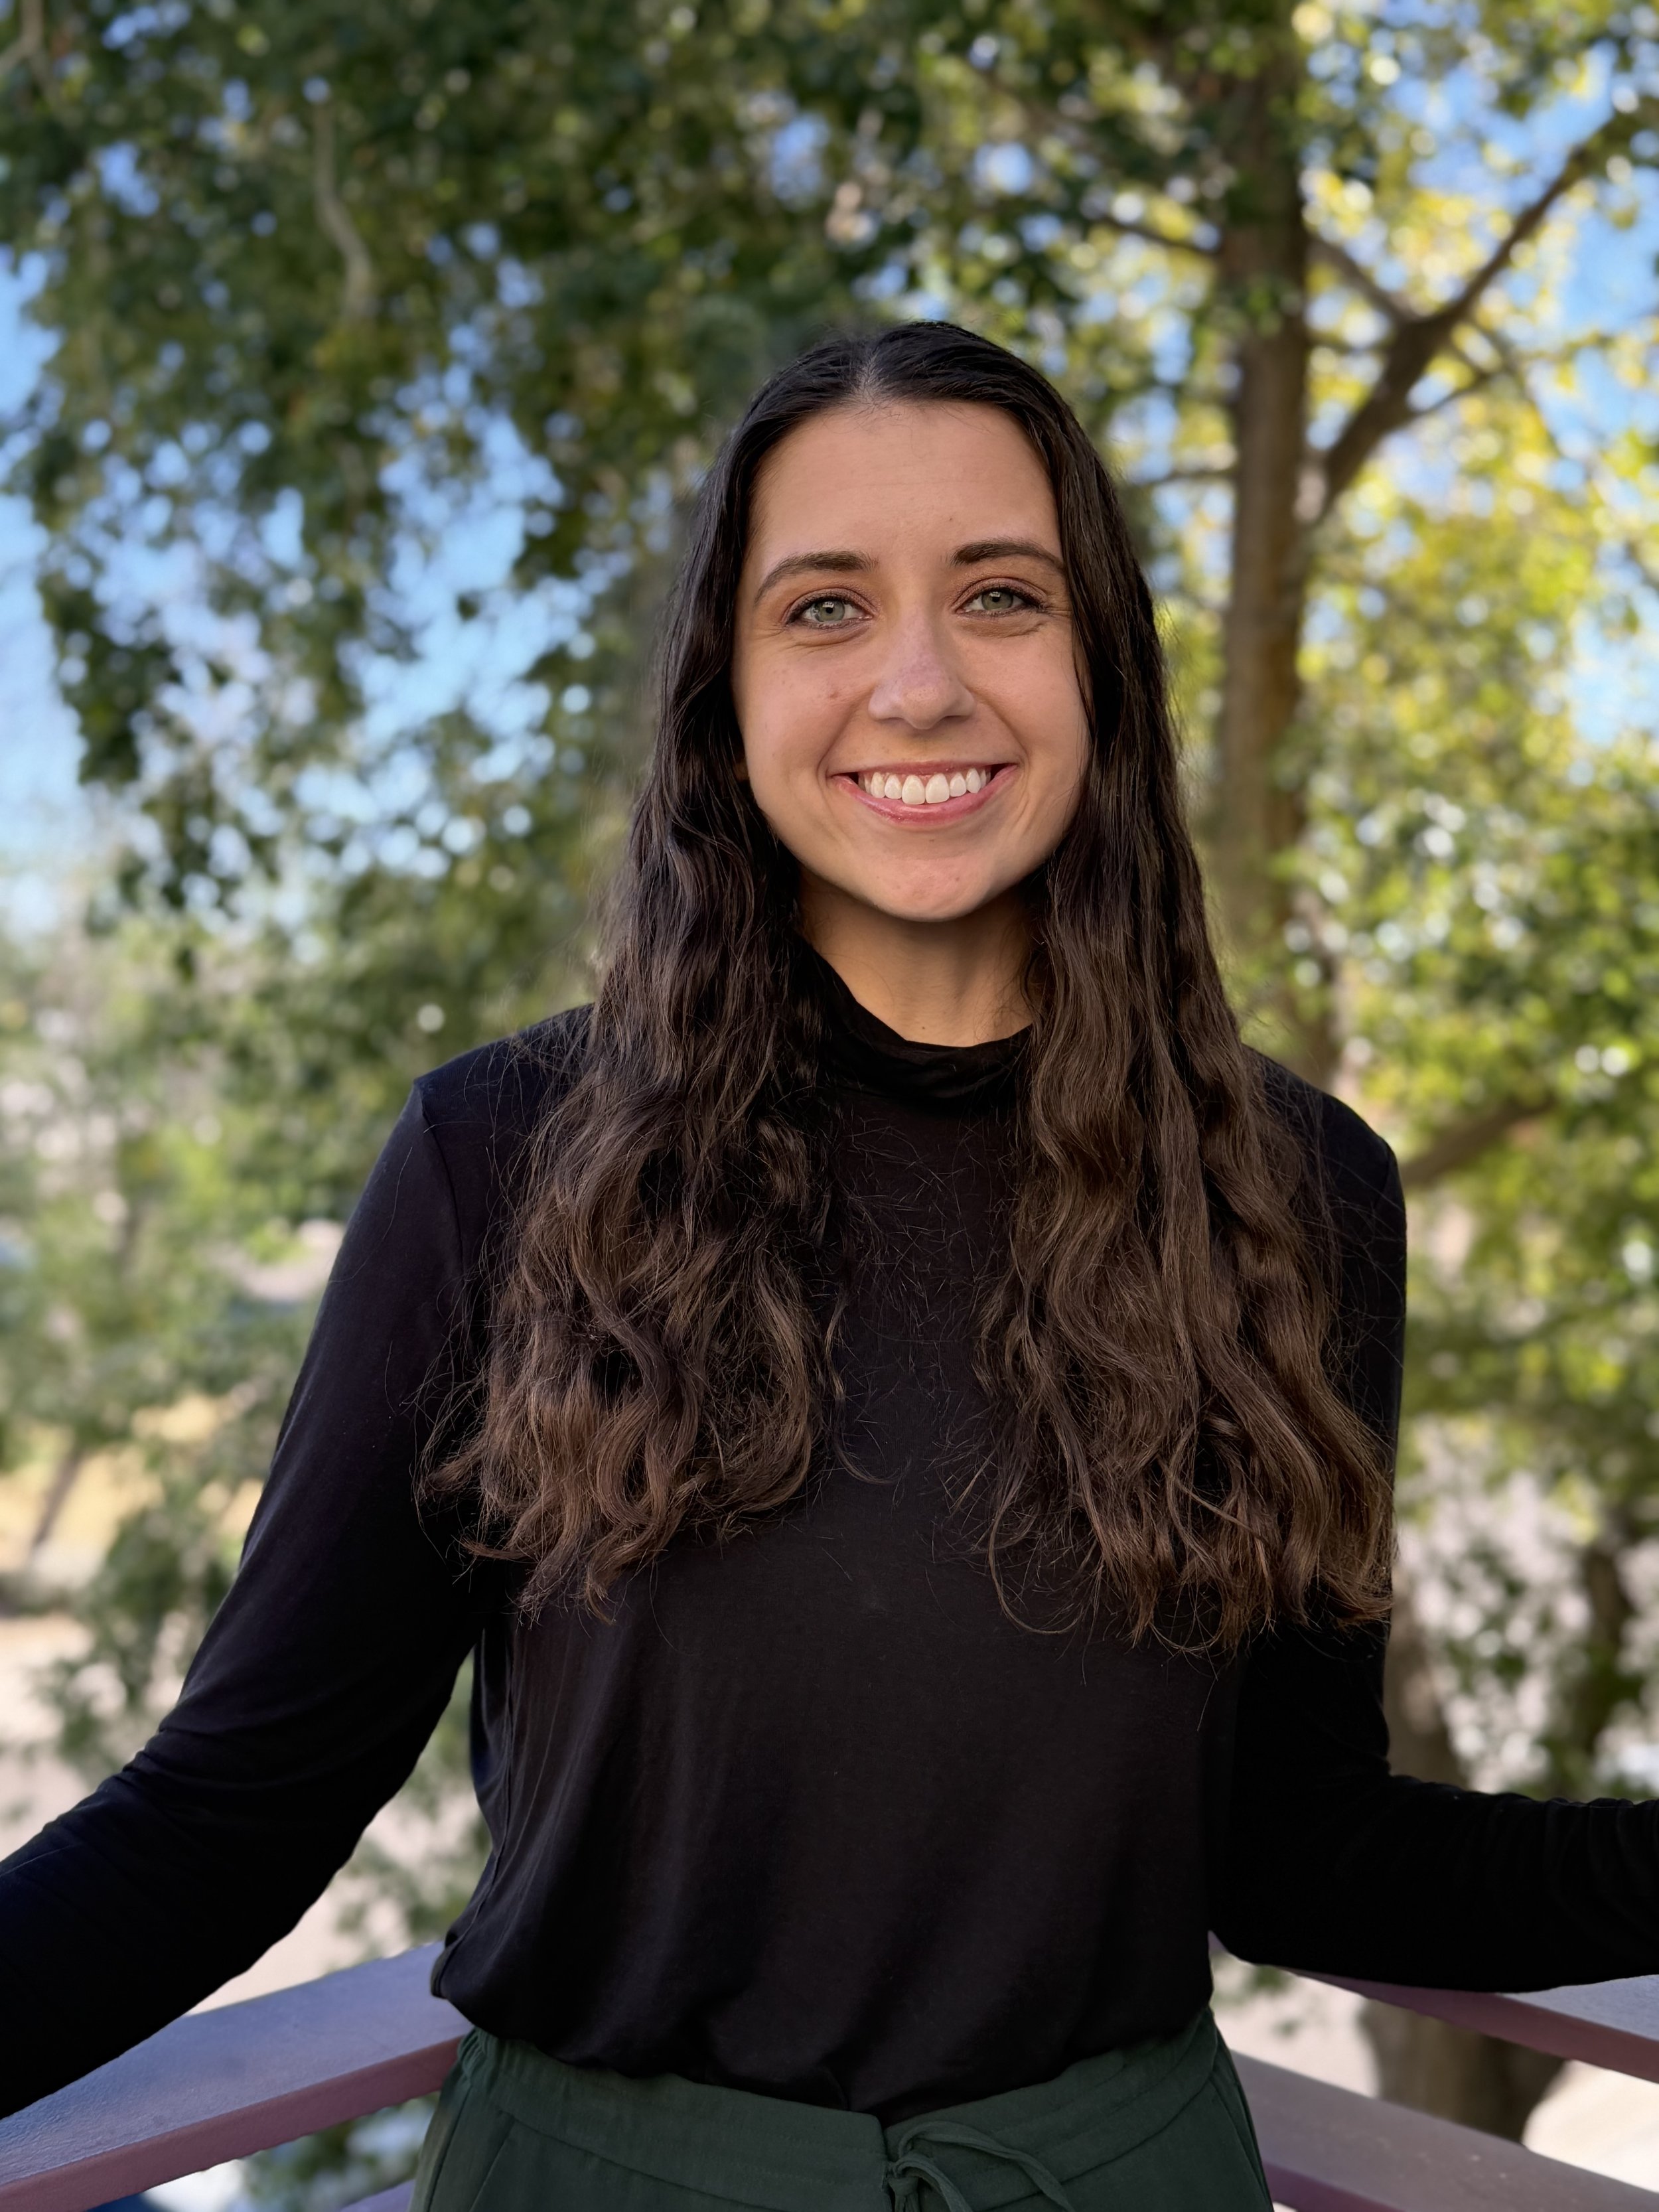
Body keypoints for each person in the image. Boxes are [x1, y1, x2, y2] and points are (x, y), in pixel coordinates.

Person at [3, 323, 1658, 2212]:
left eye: (1000, 595)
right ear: (724, 690)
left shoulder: (1299, 1194)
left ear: (1100, 666)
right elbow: (232, 1812)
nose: (919, 680)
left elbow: (1296, 1851)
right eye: (823, 607)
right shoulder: (499, 1161)